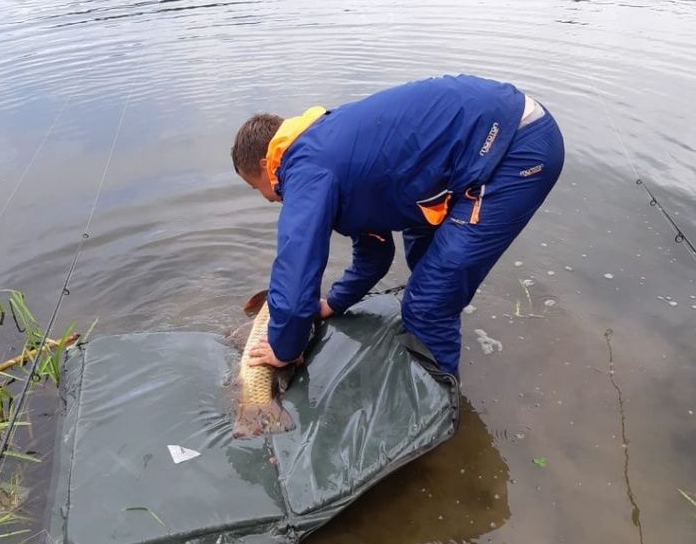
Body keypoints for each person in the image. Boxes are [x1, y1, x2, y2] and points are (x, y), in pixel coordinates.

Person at [231, 73, 564, 379]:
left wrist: (284, 348)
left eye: (255, 186)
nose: (267, 198)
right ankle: (436, 338)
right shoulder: (328, 153)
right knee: (426, 263)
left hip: (514, 148)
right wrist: (332, 304)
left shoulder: (304, 167)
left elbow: (296, 265)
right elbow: (374, 253)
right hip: (481, 149)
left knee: (427, 304)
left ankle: (431, 413)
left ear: (266, 164)